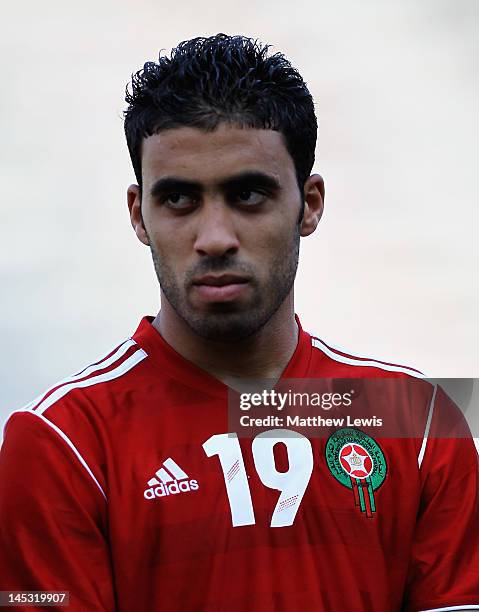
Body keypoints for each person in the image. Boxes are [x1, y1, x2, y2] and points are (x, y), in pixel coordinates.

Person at [0, 34, 478, 612]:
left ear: (311, 203)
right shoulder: (60, 443)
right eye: (179, 199)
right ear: (138, 214)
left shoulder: (418, 422)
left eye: (248, 194)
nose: (215, 238)